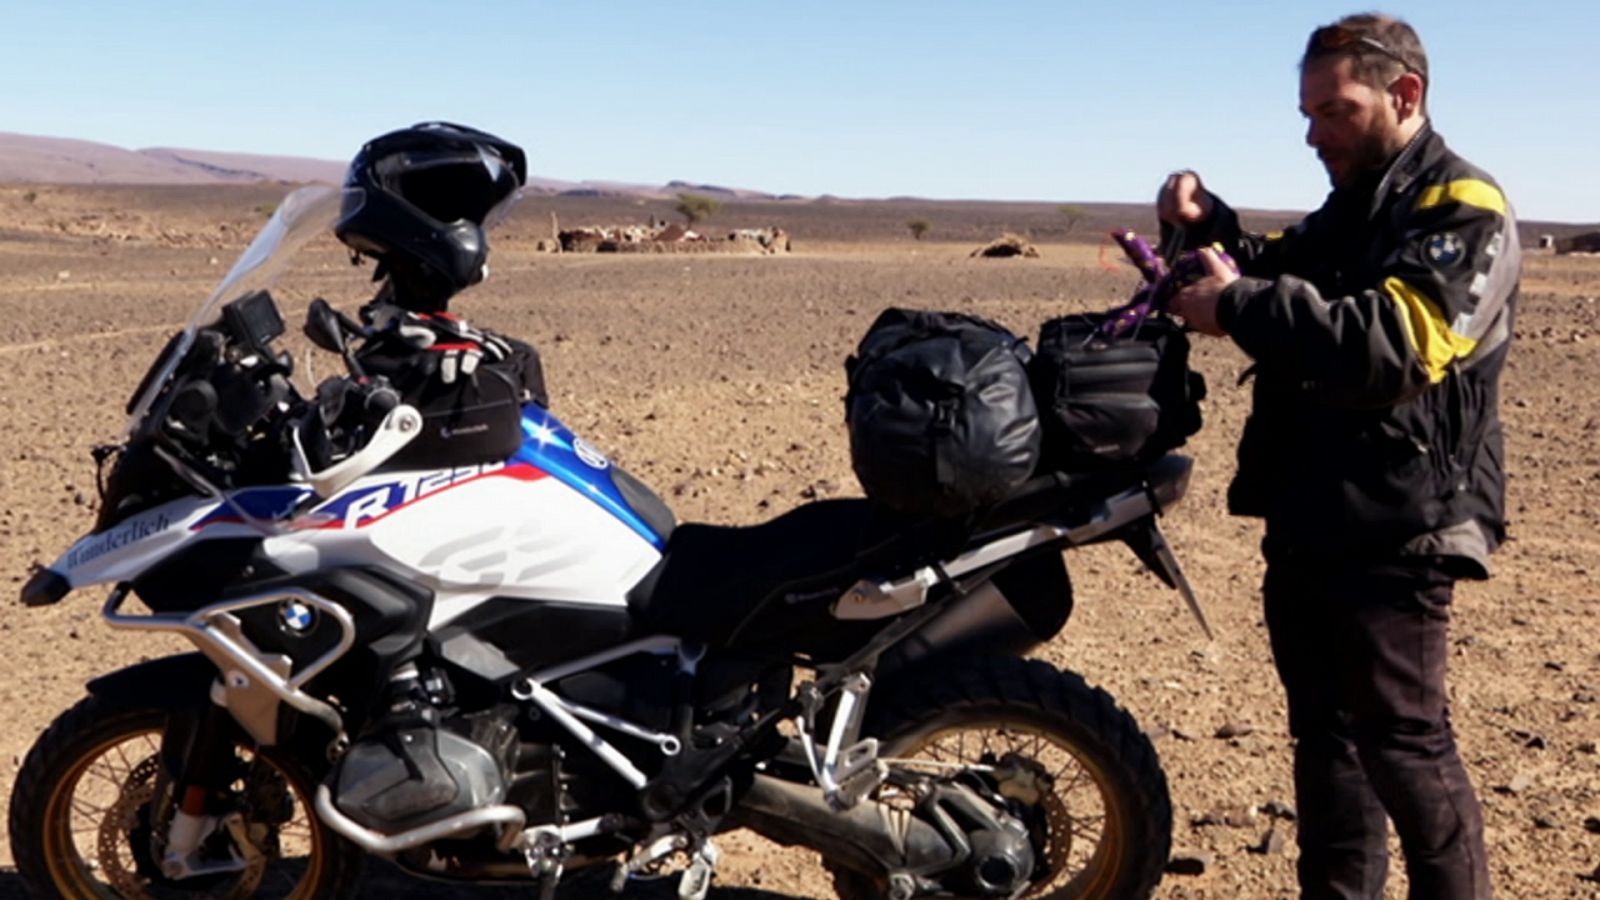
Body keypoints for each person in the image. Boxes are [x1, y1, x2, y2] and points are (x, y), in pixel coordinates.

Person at [1159, 13, 1516, 899]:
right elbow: (1268, 266)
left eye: (1335, 110)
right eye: (1308, 113)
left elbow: (1395, 345)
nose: (1314, 132)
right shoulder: (1353, 211)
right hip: (1314, 512)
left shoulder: (1459, 208)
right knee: (1327, 745)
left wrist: (1237, 306)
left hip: (1404, 524)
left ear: (1406, 95)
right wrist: (1207, 223)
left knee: (1405, 747)